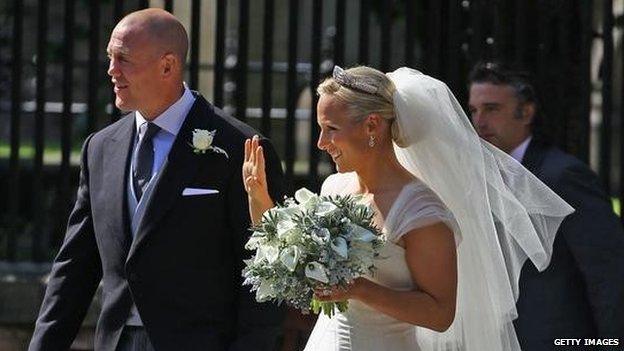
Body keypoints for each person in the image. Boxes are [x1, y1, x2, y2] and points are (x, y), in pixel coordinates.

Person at [243, 65, 573, 350]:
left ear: (372, 126)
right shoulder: (335, 187)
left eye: (331, 129)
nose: (320, 143)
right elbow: (290, 263)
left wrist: (359, 289)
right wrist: (258, 197)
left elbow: (440, 314)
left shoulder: (422, 211)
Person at [28, 8, 284, 351]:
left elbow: (264, 270)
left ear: (168, 65)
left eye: (124, 59)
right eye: (109, 57)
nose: (111, 70)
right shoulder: (100, 149)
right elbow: (74, 267)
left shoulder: (240, 147)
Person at [468, 61, 624, 350]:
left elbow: (609, 273)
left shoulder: (563, 175)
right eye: (474, 110)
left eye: (492, 108)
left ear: (526, 112)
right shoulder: (473, 176)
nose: (479, 121)